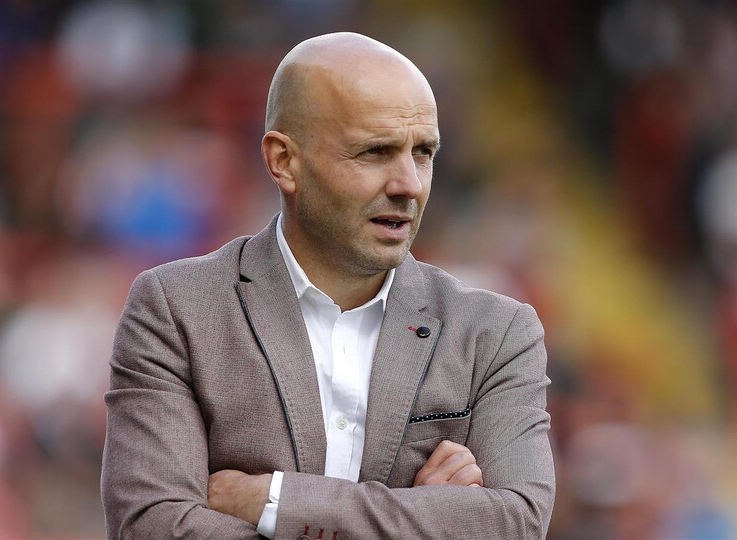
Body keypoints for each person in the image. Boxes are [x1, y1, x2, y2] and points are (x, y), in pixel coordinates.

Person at [101, 32, 554, 539]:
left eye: (423, 153)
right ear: (284, 161)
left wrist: (274, 501)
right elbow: (152, 525)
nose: (409, 184)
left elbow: (516, 522)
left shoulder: (495, 333)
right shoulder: (177, 309)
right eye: (375, 152)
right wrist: (422, 519)